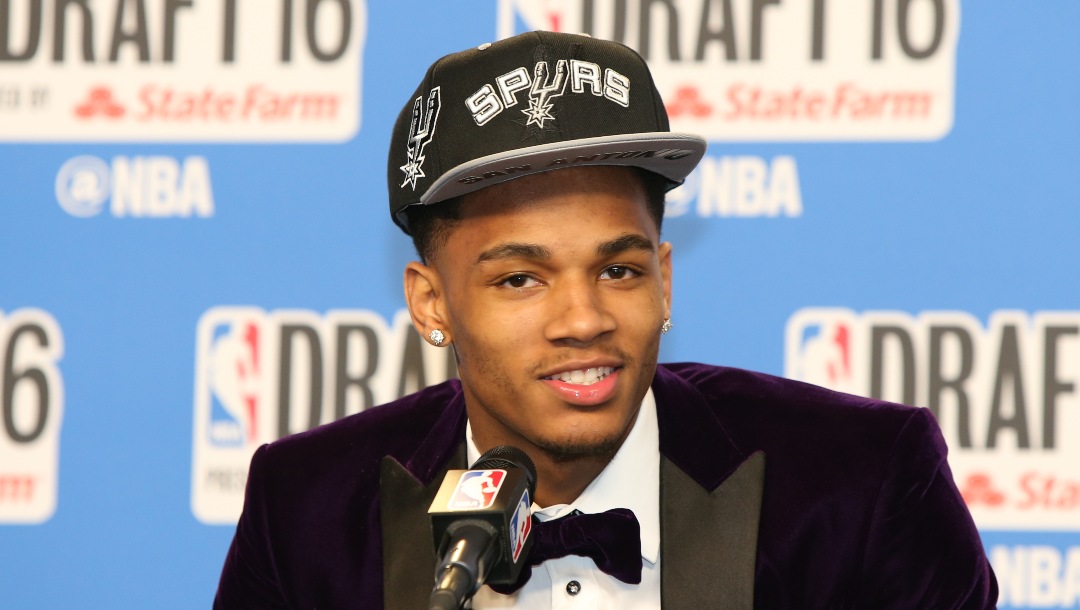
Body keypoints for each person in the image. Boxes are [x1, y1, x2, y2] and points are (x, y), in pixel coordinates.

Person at [214, 31, 997, 609]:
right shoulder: (307, 511)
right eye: (521, 279)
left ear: (662, 280)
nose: (583, 319)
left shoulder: (858, 485)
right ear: (431, 303)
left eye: (618, 270)